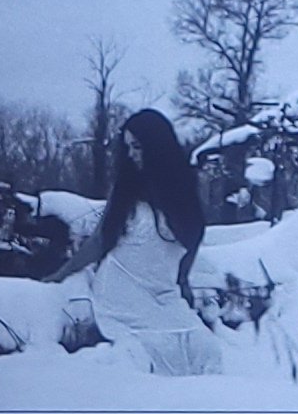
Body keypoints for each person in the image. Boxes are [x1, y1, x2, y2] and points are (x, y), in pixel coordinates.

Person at [87, 111, 222, 379]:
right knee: (153, 347)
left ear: (156, 147)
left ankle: (203, 400)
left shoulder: (183, 189)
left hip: (163, 291)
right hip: (121, 288)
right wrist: (59, 275)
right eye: (128, 148)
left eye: (137, 147)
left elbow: (192, 239)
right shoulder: (126, 188)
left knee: (206, 349)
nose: (131, 155)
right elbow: (100, 239)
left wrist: (182, 282)